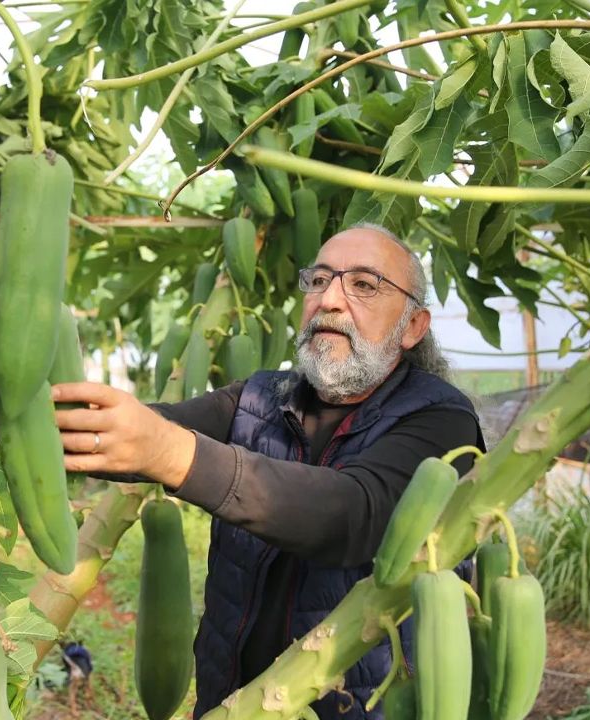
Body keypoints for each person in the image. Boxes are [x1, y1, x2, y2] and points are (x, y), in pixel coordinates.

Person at [52, 223, 484, 719]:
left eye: (363, 284)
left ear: (413, 326)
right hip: (232, 701)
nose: (330, 300)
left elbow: (355, 512)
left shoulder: (441, 419)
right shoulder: (259, 397)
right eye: (319, 281)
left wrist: (172, 453)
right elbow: (149, 430)